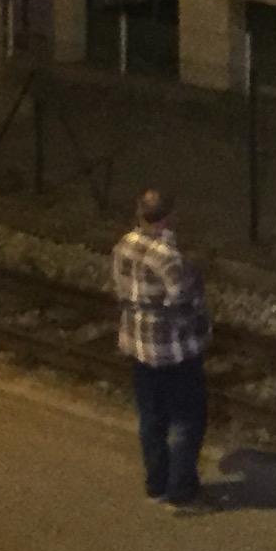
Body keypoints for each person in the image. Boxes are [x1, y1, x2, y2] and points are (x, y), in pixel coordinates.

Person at [110, 189, 211, 510]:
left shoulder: (123, 245)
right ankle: (181, 493)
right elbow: (184, 302)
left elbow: (120, 289)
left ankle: (155, 485)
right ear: (168, 216)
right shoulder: (168, 257)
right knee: (186, 420)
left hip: (139, 347)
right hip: (174, 351)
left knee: (151, 418)